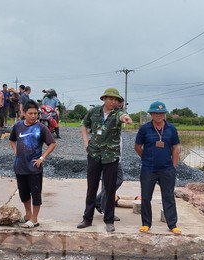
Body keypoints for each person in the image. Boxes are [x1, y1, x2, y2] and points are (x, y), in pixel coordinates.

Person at [77, 88, 132, 233]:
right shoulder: (94, 112)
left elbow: (122, 116)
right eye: (111, 99)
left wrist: (125, 118)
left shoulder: (117, 113)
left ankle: (109, 220)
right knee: (92, 187)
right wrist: (85, 141)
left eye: (116, 100)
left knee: (109, 188)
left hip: (111, 157)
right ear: (104, 99)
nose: (113, 102)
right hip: (94, 154)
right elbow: (83, 124)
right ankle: (87, 218)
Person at [134, 101, 182, 235]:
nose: (158, 115)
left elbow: (175, 148)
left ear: (164, 114)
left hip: (166, 169)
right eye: (155, 113)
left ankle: (172, 224)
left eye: (161, 113)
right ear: (151, 114)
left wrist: (173, 165)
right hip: (148, 169)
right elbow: (137, 147)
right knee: (146, 197)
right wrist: (145, 158)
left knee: (168, 196)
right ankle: (146, 224)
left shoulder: (171, 129)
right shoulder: (144, 129)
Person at [9, 99, 57, 228]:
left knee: (35, 193)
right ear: (24, 113)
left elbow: (52, 143)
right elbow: (12, 140)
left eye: (36, 113)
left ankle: (34, 219)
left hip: (34, 168)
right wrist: (15, 151)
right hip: (20, 166)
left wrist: (42, 158)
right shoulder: (18, 126)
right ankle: (28, 214)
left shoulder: (41, 128)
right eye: (30, 113)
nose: (33, 116)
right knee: (23, 193)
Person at [95, 97, 125, 221]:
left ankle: (101, 204)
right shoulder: (106, 118)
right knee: (116, 180)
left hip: (116, 156)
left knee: (109, 182)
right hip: (108, 157)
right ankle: (101, 203)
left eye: (122, 106)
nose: (121, 108)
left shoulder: (117, 117)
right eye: (119, 106)